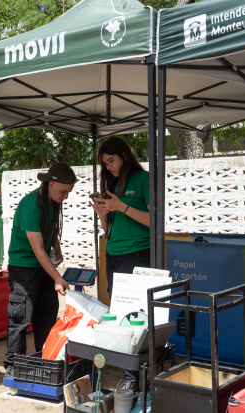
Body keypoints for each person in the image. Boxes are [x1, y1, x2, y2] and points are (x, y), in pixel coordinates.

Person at [4, 162, 77, 376]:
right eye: (63, 191)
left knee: (46, 316)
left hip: (43, 267)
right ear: (51, 184)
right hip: (24, 268)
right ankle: (13, 365)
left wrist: (57, 247)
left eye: (68, 192)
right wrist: (57, 277)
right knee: (20, 317)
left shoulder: (52, 202)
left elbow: (50, 230)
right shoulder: (30, 206)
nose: (66, 196)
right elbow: (37, 249)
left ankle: (45, 360)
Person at [89, 136, 150, 392]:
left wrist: (121, 206)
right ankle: (128, 373)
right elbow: (111, 228)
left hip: (136, 255)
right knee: (119, 313)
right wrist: (104, 215)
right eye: (105, 164)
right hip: (113, 253)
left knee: (135, 316)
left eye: (111, 161)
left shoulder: (143, 179)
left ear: (125, 155)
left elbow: (155, 220)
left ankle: (133, 377)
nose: (109, 167)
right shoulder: (115, 182)